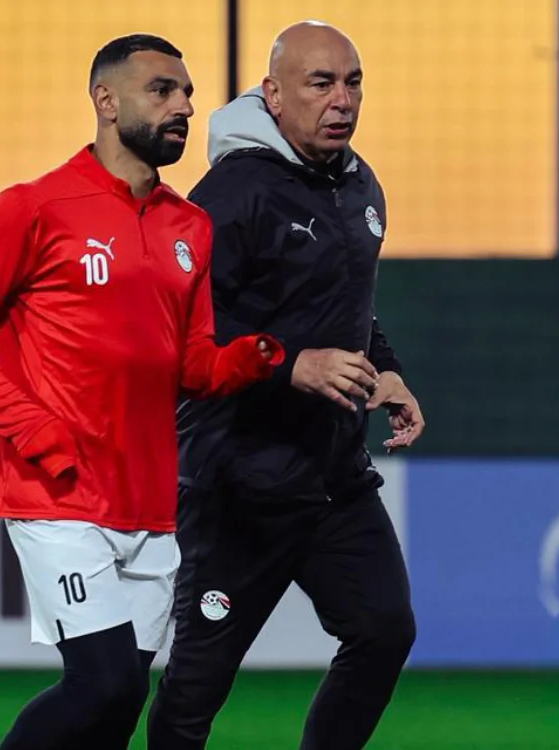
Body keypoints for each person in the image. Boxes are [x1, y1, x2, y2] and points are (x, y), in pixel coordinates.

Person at [0, 33, 283, 750]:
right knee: (102, 681)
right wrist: (28, 428)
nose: (183, 106)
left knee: (117, 709)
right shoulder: (34, 207)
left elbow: (193, 364)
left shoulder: (189, 227)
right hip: (58, 490)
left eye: (186, 93)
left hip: (149, 498)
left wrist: (254, 357)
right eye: (162, 91)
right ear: (105, 100)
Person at [147, 21, 424, 750]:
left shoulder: (360, 184)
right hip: (242, 481)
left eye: (353, 81)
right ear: (272, 94)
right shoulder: (231, 193)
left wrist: (385, 367)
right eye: (320, 82)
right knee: (195, 692)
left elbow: (348, 303)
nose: (342, 100)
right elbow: (186, 323)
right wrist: (291, 362)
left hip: (333, 479)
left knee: (384, 630)